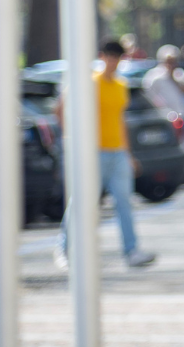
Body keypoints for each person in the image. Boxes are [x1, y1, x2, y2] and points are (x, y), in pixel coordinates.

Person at [56, 40, 157, 270]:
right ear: (102, 57)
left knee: (124, 202)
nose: (113, 62)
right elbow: (60, 109)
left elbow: (120, 121)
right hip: (92, 153)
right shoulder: (89, 83)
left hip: (117, 153)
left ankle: (131, 252)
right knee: (82, 202)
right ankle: (65, 249)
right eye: (110, 57)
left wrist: (128, 154)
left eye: (118, 58)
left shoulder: (121, 86)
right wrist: (72, 141)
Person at [142, 44, 184, 114]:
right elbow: (149, 96)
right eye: (169, 61)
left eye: (174, 61)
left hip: (180, 114)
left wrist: (174, 78)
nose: (172, 65)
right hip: (163, 117)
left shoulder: (179, 74)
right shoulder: (154, 76)